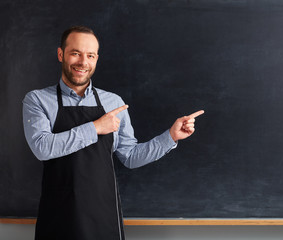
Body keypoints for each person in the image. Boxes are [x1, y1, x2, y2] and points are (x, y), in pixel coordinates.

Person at [23, 25, 204, 240]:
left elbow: (130, 157)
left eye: (90, 55)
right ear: (61, 54)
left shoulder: (113, 102)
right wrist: (96, 128)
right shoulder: (37, 100)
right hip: (58, 215)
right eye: (75, 53)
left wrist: (170, 137)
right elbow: (42, 148)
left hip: (104, 214)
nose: (83, 62)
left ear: (96, 59)